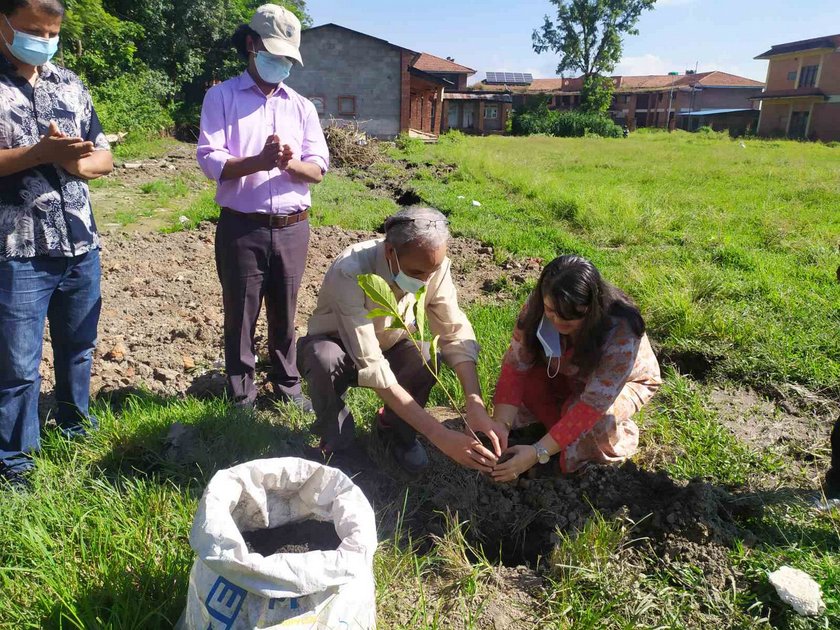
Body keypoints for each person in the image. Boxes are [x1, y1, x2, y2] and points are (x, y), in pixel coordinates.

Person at [298, 206, 505, 473]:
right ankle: (339, 442)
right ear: (390, 252)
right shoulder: (351, 271)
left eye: (434, 270)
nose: (426, 279)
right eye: (418, 272)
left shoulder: (433, 266)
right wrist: (438, 435)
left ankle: (396, 431)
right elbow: (370, 360)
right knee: (322, 359)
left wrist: (474, 403)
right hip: (340, 344)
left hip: (390, 342)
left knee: (426, 357)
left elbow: (454, 331)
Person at [0, 0, 113, 487]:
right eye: (31, 30)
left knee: (78, 348)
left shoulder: (68, 82)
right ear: (3, 22)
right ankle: (15, 463)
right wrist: (38, 153)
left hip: (80, 244)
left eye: (50, 33)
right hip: (17, 251)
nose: (42, 40)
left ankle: (73, 430)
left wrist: (76, 163)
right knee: (17, 365)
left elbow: (103, 154)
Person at [197, 4, 328, 411]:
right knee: (240, 311)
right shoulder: (221, 97)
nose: (282, 65)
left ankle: (287, 384)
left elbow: (318, 167)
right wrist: (259, 160)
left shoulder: (301, 106)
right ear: (251, 45)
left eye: (288, 58)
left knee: (286, 310)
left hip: (293, 226)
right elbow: (210, 160)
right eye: (275, 55)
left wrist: (287, 162)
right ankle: (242, 392)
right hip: (242, 226)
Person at [491, 255, 661, 483]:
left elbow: (592, 406)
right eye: (551, 311)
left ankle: (583, 450)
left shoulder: (621, 331)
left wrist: (537, 453)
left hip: (623, 383)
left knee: (593, 424)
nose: (558, 321)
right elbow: (515, 369)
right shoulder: (538, 307)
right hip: (568, 369)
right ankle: (558, 437)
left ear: (592, 307)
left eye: (571, 317)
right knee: (531, 386)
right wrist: (501, 429)